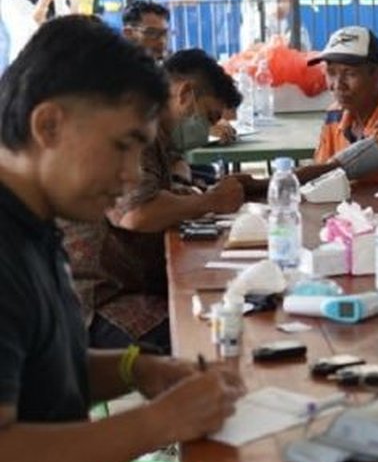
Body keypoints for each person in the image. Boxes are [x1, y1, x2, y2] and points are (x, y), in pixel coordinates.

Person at [0, 15, 242, 462]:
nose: (133, 174)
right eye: (123, 145)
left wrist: (142, 369)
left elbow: (44, 372)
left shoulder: (32, 222)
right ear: (49, 126)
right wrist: (159, 422)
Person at [61, 49, 246, 353]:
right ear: (185, 93)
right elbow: (136, 213)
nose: (208, 129)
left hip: (125, 281)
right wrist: (210, 201)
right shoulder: (133, 126)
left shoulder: (157, 130)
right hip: (98, 299)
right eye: (209, 117)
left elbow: (170, 175)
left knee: (224, 304)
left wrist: (189, 192)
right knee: (206, 335)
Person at [294, 26, 378, 188]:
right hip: (353, 210)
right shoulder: (335, 114)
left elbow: (332, 170)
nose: (337, 85)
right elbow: (318, 178)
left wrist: (265, 184)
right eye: (331, 72)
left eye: (350, 73)